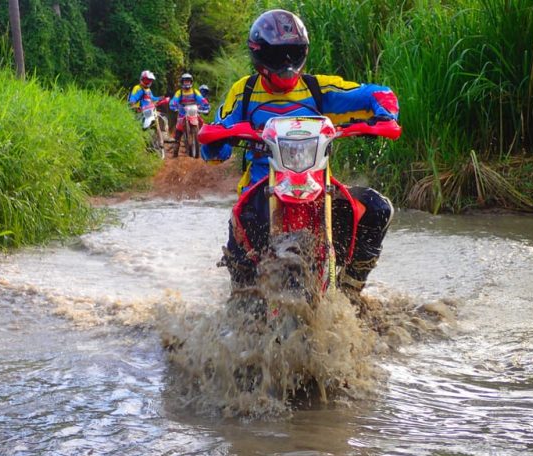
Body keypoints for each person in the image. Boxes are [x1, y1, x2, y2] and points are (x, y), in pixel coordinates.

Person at [201, 9, 400, 298]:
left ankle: (351, 289)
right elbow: (215, 144)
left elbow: (377, 93)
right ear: (259, 55)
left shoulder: (318, 88)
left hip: (319, 189)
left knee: (378, 209)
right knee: (241, 259)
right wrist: (218, 136)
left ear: (303, 52)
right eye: (277, 55)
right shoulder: (243, 92)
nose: (286, 64)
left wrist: (386, 117)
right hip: (261, 189)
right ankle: (240, 310)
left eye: (292, 54)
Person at [169, 73, 210, 157]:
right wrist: (173, 105)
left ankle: (203, 141)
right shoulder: (179, 92)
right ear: (182, 82)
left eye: (188, 81)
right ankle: (175, 152)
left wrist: (206, 105)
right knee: (178, 132)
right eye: (185, 81)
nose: (187, 83)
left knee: (202, 122)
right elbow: (174, 100)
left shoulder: (195, 91)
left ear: (191, 82)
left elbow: (201, 99)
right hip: (182, 114)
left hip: (194, 113)